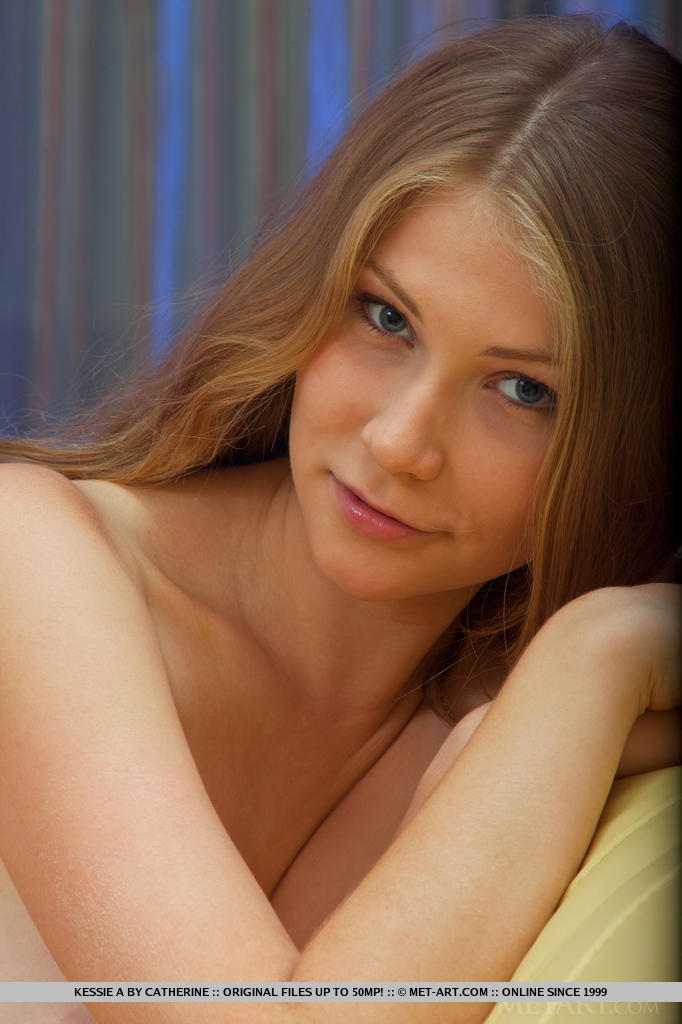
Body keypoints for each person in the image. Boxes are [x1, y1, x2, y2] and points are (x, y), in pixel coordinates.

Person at [0, 13, 679, 1024]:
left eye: (522, 390)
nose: (400, 442)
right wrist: (598, 657)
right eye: (387, 318)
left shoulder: (484, 736)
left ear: (633, 459)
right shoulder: (33, 557)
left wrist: (556, 697)